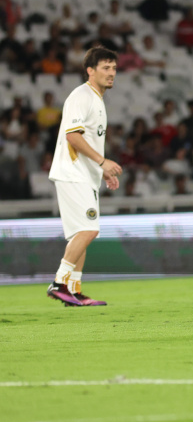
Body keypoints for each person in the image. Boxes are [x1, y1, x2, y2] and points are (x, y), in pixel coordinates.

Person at [46, 47, 123, 307]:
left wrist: (101, 170)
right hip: (73, 172)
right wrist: (102, 161)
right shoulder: (81, 96)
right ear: (90, 70)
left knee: (82, 233)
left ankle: (73, 290)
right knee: (89, 229)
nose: (111, 73)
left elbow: (86, 139)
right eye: (105, 68)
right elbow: (72, 135)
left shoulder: (95, 98)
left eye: (113, 68)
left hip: (84, 174)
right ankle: (59, 282)